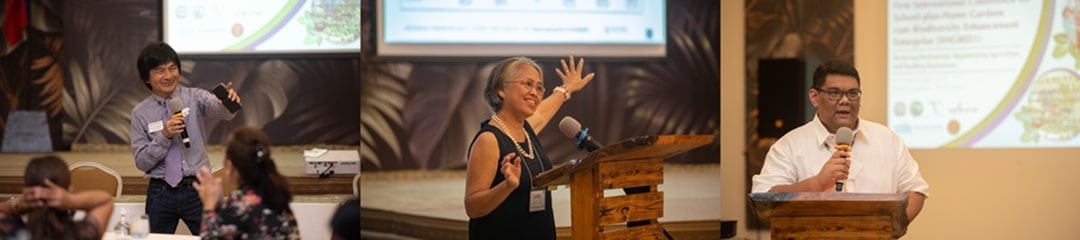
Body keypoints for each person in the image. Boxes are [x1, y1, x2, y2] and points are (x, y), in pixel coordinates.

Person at [751, 60, 930, 224]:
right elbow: (764, 203)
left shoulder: (887, 139)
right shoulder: (789, 146)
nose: (845, 101)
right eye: (834, 93)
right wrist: (816, 184)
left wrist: (892, 229)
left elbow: (915, 190)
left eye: (853, 93)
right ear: (814, 97)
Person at [464, 56, 594, 239]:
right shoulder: (489, 140)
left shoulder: (525, 130)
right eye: (527, 84)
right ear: (501, 89)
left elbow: (542, 111)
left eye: (539, 88)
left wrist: (567, 88)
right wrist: (507, 186)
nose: (535, 92)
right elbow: (472, 207)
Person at [129, 42, 242, 234]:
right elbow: (141, 162)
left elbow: (222, 112)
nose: (168, 75)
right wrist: (164, 136)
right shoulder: (140, 113)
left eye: (173, 68)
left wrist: (227, 103)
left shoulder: (194, 97)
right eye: (160, 71)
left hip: (197, 188)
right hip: (160, 191)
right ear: (146, 77)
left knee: (213, 236)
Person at [193, 127, 300, 239]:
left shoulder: (238, 204)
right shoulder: (277, 197)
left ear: (230, 166)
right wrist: (218, 205)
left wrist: (209, 205)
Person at [0, 155, 115, 240]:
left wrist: (18, 205)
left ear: (28, 194)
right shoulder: (80, 235)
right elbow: (105, 201)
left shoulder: (12, 231)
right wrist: (71, 200)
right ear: (69, 190)